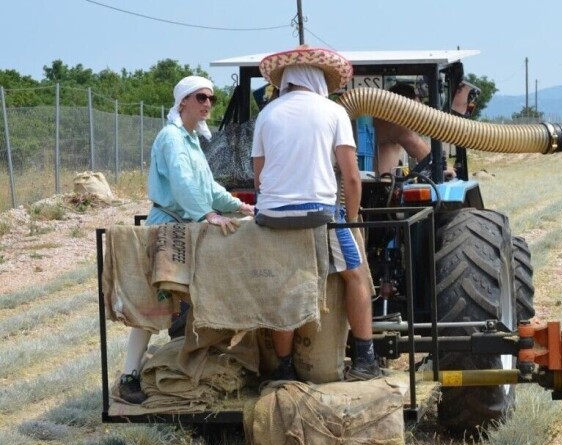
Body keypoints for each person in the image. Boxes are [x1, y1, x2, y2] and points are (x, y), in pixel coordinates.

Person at [118, 75, 256, 404]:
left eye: (211, 98)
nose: (208, 103)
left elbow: (207, 187)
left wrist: (239, 205)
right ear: (183, 102)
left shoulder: (193, 140)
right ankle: (128, 376)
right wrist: (207, 214)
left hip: (189, 226)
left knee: (199, 296)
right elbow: (182, 184)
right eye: (201, 97)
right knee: (154, 304)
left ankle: (198, 363)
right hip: (169, 227)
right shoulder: (171, 138)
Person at [252, 45, 381, 381]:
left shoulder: (266, 114)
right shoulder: (333, 112)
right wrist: (351, 222)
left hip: (271, 217)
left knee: (284, 285)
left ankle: (283, 368)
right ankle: (366, 358)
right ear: (319, 80)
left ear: (287, 81)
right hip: (319, 213)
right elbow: (351, 178)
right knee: (356, 275)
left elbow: (259, 177)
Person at [373, 82, 473, 178]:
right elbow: (413, 143)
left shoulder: (381, 124)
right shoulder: (395, 124)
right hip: (379, 187)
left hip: (383, 183)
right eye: (416, 111)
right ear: (402, 106)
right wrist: (442, 169)